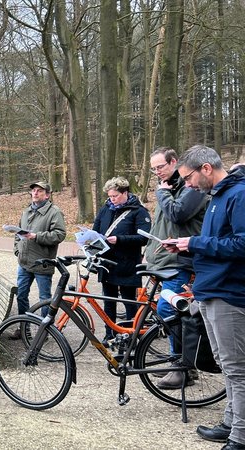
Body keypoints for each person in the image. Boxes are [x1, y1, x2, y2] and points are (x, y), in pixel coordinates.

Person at [168, 146, 245, 449]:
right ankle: (230, 422)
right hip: (211, 290)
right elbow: (219, 242)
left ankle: (240, 437)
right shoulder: (217, 197)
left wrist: (196, 242)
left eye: (188, 177)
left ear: (206, 169)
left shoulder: (238, 194)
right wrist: (190, 247)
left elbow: (241, 244)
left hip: (229, 292)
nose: (187, 184)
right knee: (226, 364)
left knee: (237, 369)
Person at [144, 147, 209, 389]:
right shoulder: (169, 189)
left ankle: (182, 366)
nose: (157, 172)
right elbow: (159, 225)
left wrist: (162, 193)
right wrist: (149, 253)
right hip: (164, 260)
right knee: (170, 310)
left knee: (170, 309)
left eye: (160, 166)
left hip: (181, 261)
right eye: (153, 169)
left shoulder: (190, 187)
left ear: (173, 162)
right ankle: (182, 364)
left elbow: (178, 214)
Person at [92, 176, 151, 343]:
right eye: (110, 196)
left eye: (115, 196)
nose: (112, 199)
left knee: (128, 301)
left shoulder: (138, 211)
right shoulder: (106, 209)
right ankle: (109, 333)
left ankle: (131, 334)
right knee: (108, 301)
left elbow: (143, 238)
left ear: (125, 193)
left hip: (127, 263)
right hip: (107, 262)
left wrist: (119, 239)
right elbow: (96, 229)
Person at [10, 181, 66, 339]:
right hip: (24, 263)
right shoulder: (26, 211)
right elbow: (18, 233)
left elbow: (59, 234)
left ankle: (44, 332)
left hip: (43, 262)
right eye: (33, 191)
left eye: (39, 191)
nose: (35, 193)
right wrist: (17, 250)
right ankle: (23, 329)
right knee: (21, 295)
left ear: (47, 195)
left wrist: (37, 236)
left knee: (45, 299)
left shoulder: (54, 212)